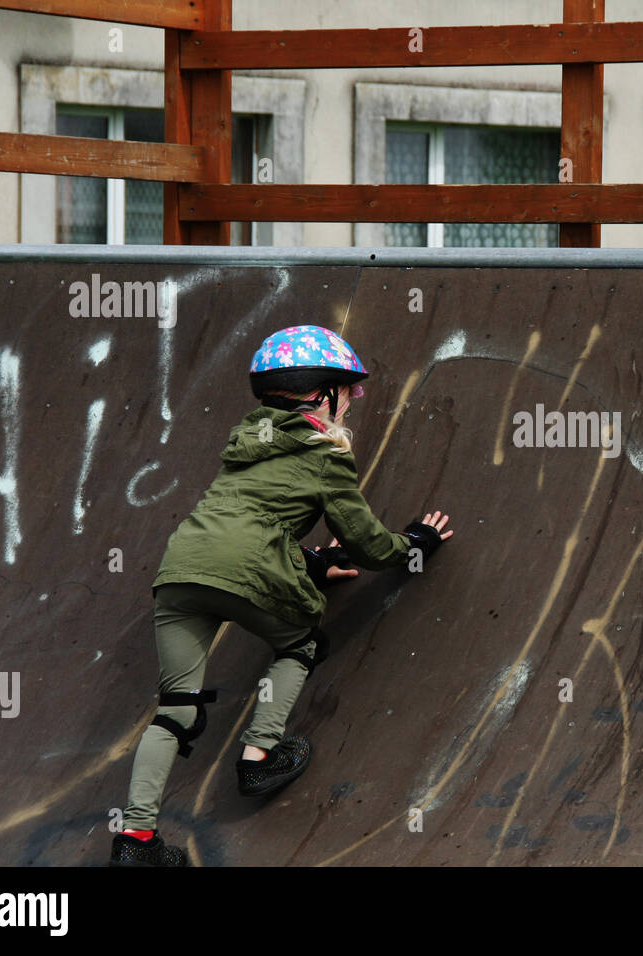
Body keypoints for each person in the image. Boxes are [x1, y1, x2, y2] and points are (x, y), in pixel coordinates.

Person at [110, 325, 453, 867]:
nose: (354, 398)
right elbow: (364, 541)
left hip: (181, 569)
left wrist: (313, 562)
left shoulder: (245, 442)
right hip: (246, 569)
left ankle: (136, 842)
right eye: (347, 387)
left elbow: (245, 521)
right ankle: (258, 756)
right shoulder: (325, 456)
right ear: (320, 391)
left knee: (176, 710)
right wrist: (414, 542)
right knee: (300, 643)